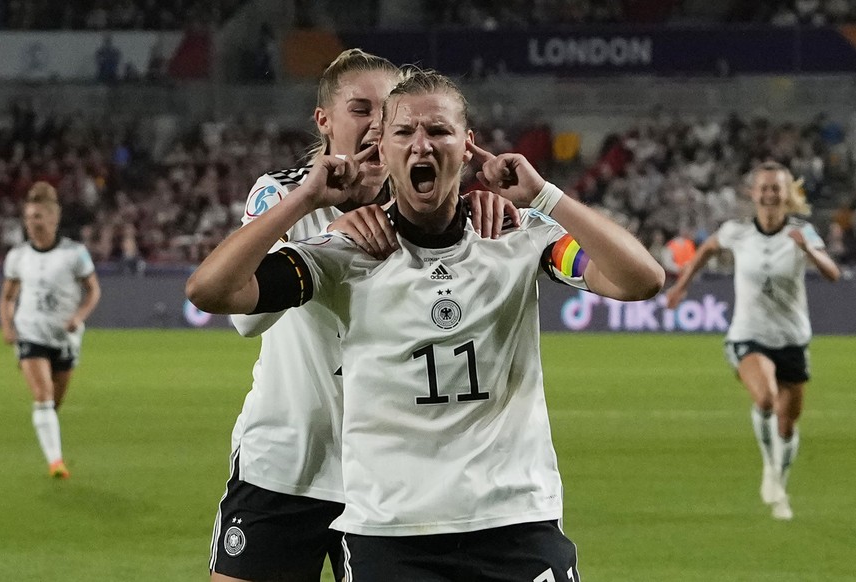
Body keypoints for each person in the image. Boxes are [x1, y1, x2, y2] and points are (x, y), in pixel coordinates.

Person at [188, 70, 664, 580]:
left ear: (467, 147)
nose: (422, 146)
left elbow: (641, 280)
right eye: (404, 133)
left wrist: (545, 196)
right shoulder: (344, 251)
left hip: (515, 522)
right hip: (388, 530)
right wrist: (305, 199)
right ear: (385, 152)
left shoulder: (516, 233)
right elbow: (212, 292)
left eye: (438, 132)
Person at [206, 51, 518, 582]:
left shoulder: (433, 212)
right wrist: (318, 216)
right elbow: (245, 320)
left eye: (387, 112)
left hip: (392, 482)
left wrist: (491, 200)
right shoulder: (283, 192)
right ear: (324, 121)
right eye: (359, 109)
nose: (375, 124)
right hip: (288, 463)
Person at [666, 161, 841, 521]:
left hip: (792, 338)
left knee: (788, 424)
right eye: (763, 187)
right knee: (765, 397)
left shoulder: (802, 231)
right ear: (753, 193)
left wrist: (808, 250)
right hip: (748, 334)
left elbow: (833, 274)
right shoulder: (737, 231)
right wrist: (682, 285)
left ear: (786, 193)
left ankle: (779, 478)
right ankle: (768, 466)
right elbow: (707, 249)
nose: (769, 194)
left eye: (776, 188)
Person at [0, 181, 101, 479]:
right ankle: (56, 462)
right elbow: (7, 296)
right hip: (30, 332)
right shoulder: (17, 256)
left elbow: (93, 290)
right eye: (28, 218)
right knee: (42, 395)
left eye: (38, 217)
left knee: (53, 402)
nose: (32, 224)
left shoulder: (75, 254)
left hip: (65, 337)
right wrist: (7, 326)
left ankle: (48, 437)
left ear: (53, 218)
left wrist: (79, 316)